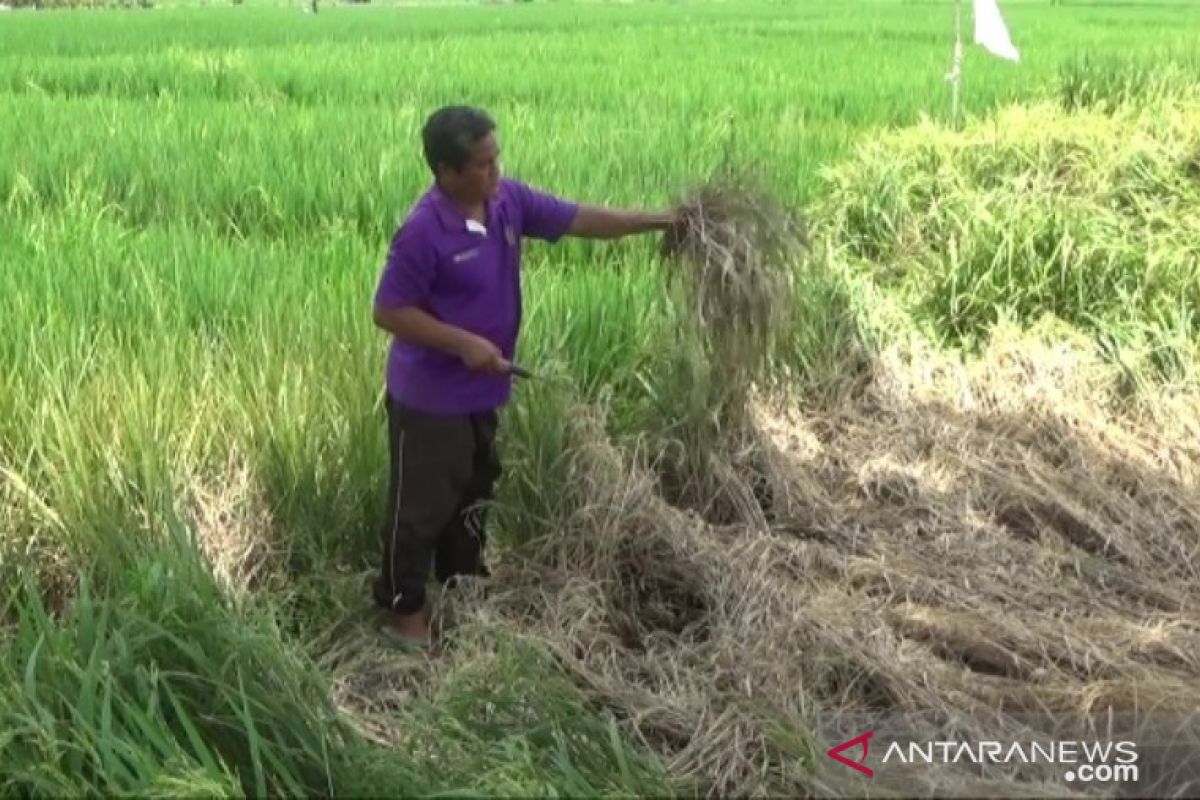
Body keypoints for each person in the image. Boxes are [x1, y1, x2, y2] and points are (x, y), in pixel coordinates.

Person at [371, 105, 678, 649]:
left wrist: (660, 222)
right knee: (418, 510)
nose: (496, 171)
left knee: (475, 491)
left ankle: (463, 587)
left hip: (483, 391)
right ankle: (404, 612)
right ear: (446, 171)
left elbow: (581, 218)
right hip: (430, 399)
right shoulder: (423, 231)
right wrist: (463, 343)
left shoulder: (507, 202)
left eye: (497, 159)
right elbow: (390, 311)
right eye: (483, 164)